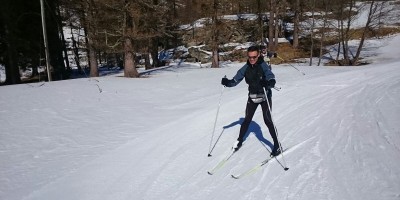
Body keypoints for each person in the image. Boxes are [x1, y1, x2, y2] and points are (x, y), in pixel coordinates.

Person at [221, 45, 281, 157]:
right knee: (247, 119)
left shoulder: (263, 65)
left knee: (267, 120)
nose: (252, 59)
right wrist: (227, 82)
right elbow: (235, 80)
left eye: (254, 57)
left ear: (258, 55)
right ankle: (239, 141)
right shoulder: (246, 67)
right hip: (253, 96)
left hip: (264, 96)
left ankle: (277, 145)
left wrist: (270, 83)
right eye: (250, 57)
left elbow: (270, 76)